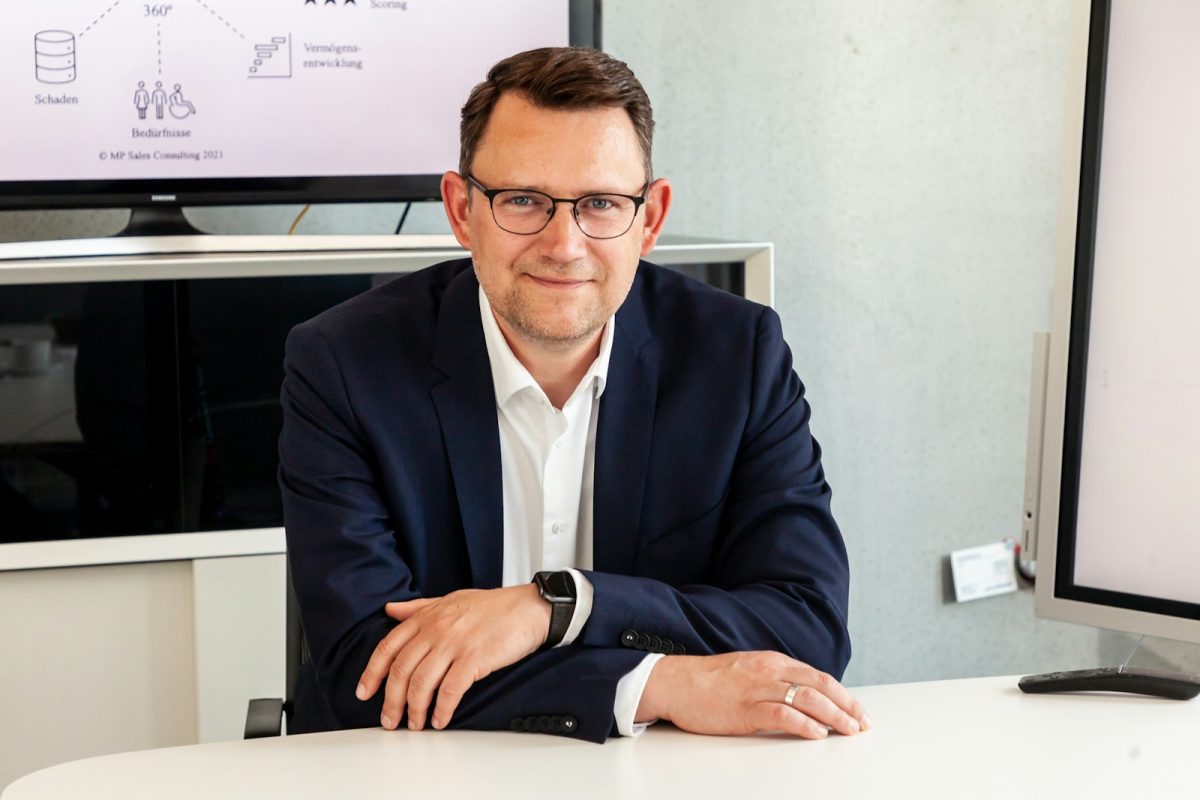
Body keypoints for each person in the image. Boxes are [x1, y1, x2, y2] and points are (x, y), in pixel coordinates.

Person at [279, 46, 867, 743]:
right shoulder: (344, 364)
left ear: (649, 220)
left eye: (600, 204)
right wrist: (658, 684)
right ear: (462, 210)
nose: (564, 244)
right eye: (523, 200)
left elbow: (807, 628)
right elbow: (365, 673)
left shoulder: (738, 357)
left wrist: (557, 607)